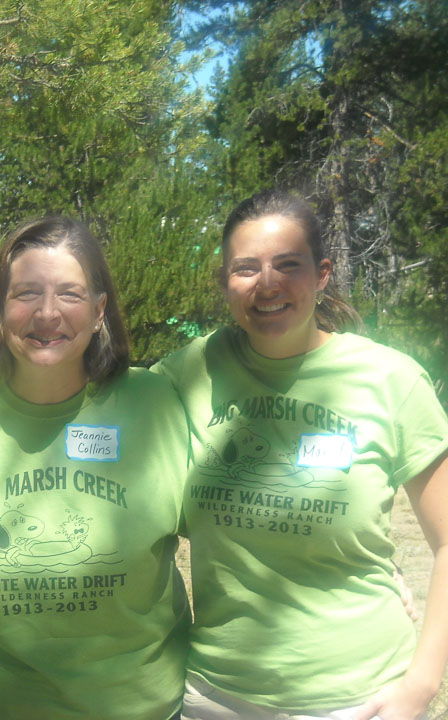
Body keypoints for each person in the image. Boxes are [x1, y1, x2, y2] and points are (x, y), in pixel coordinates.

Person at [153, 189, 448, 720]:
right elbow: (79, 395)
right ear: (225, 282)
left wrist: (421, 686)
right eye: (246, 268)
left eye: (288, 265)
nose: (267, 284)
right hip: (215, 695)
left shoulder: (390, 380)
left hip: (359, 699)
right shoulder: (186, 373)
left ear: (323, 273)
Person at [0, 217, 191, 719]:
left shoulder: (158, 405)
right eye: (26, 293)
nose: (47, 313)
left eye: (69, 294)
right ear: (0, 310)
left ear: (98, 312)